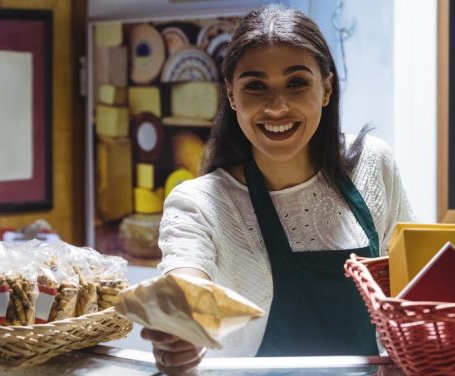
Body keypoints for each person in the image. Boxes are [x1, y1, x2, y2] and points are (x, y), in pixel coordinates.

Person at [141, 4, 414, 374]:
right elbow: (186, 282)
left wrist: (411, 353)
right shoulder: (200, 203)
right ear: (232, 95)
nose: (276, 106)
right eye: (255, 86)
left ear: (327, 88)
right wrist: (180, 329)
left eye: (297, 82)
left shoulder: (373, 165)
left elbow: (413, 283)